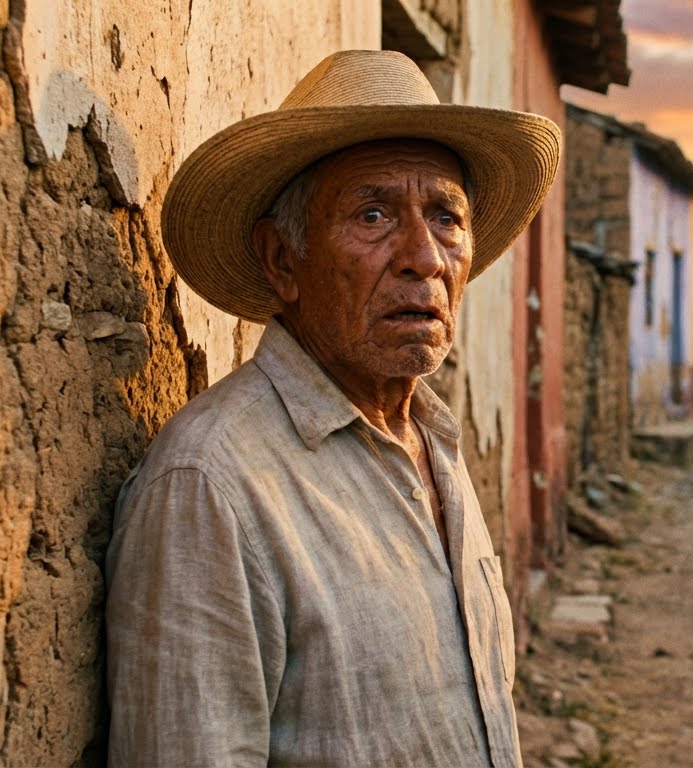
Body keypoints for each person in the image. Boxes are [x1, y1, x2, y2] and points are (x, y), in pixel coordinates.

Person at [104, 50, 560, 766]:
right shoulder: (211, 486)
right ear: (282, 259)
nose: (424, 258)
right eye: (373, 214)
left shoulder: (430, 437)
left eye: (446, 217)